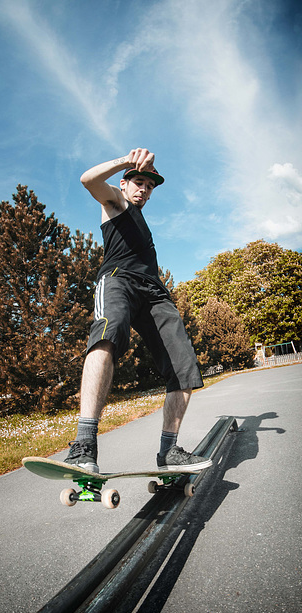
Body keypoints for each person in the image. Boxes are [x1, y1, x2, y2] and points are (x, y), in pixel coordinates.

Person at [64, 148, 212, 474]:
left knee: (183, 366)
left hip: (155, 294)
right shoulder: (115, 201)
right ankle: (84, 444)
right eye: (138, 182)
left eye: (148, 185)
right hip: (119, 281)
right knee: (107, 334)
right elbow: (88, 179)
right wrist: (126, 161)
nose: (143, 189)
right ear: (125, 183)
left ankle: (169, 451)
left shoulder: (143, 221)